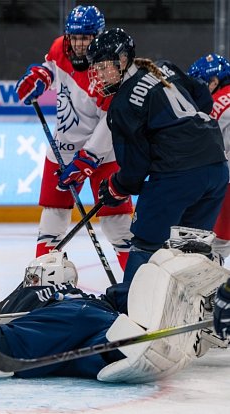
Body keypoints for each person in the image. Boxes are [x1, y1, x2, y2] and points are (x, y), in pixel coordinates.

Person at [0, 234, 227, 382]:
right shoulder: (79, 293)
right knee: (88, 358)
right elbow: (128, 292)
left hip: (66, 323)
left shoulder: (42, 294)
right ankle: (125, 349)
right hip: (101, 323)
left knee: (10, 343)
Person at [85, 28, 229, 314]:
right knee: (191, 245)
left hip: (178, 174)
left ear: (123, 59)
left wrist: (115, 186)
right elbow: (203, 97)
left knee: (145, 243)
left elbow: (135, 170)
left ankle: (131, 314)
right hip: (216, 168)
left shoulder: (123, 104)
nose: (99, 74)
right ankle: (199, 308)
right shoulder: (161, 66)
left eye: (104, 66)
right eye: (96, 68)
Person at [15, 5, 133, 269]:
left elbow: (112, 119)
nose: (79, 44)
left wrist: (89, 157)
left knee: (117, 224)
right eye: (75, 37)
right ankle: (42, 276)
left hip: (105, 155)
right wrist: (41, 77)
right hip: (64, 148)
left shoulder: (110, 67)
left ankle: (136, 280)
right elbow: (51, 68)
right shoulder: (60, 47)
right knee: (52, 219)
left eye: (86, 37)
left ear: (98, 36)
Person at [187, 54, 230, 260]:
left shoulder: (214, 104)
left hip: (225, 180)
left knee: (217, 245)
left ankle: (211, 290)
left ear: (214, 81)